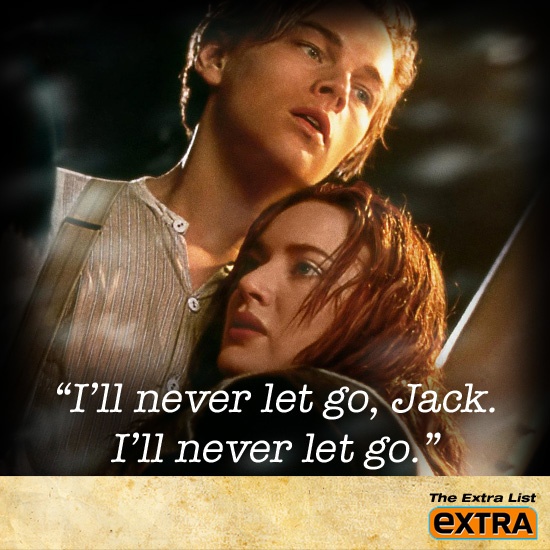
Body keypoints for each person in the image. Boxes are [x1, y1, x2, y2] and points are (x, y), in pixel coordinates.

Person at [1, 0, 420, 475]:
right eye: (312, 49)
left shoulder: (329, 326)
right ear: (216, 56)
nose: (338, 90)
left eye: (364, 92)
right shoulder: (40, 207)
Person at [117, 180, 466, 476]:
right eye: (254, 262)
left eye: (305, 269)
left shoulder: (287, 417)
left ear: (378, 315)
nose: (250, 283)